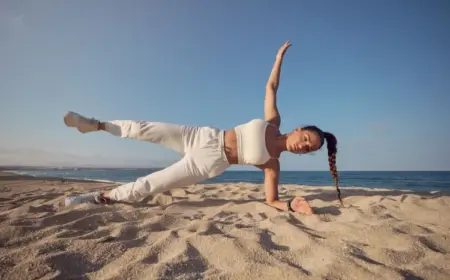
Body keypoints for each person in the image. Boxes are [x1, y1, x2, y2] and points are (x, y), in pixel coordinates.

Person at [63, 41, 342, 215]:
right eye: (306, 138)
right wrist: (279, 59)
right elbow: (271, 87)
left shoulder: (273, 164)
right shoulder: (273, 123)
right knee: (143, 128)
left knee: (150, 184)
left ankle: (98, 198)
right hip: (202, 135)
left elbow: (272, 200)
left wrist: (294, 206)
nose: (303, 146)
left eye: (308, 149)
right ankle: (95, 125)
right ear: (297, 129)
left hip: (208, 163)